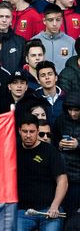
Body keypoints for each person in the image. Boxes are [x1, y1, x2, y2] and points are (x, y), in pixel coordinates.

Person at [17, 115, 68, 231]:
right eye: (25, 131)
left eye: (32, 131)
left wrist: (55, 206)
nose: (28, 135)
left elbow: (62, 180)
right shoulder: (13, 149)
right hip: (23, 211)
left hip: (49, 210)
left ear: (38, 131)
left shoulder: (50, 151)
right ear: (19, 131)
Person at [51, 92, 80, 222]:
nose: (73, 113)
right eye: (70, 110)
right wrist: (59, 144)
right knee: (62, 209)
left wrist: (78, 144)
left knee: (74, 212)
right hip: (63, 170)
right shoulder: (61, 120)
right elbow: (53, 139)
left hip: (78, 174)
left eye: (76, 110)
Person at [33, 4, 75, 71]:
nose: (54, 24)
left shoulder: (71, 42)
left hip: (64, 81)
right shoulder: (34, 41)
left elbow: (75, 68)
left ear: (61, 21)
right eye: (50, 20)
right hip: (41, 80)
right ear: (44, 21)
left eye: (58, 20)